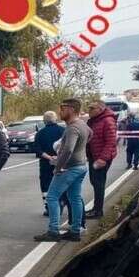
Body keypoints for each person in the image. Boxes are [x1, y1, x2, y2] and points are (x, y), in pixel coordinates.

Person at [35, 99, 91, 242]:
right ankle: (75, 230)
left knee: (52, 197)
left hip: (69, 168)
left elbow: (68, 149)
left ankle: (53, 231)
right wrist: (81, 150)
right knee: (75, 198)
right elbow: (91, 135)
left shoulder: (72, 127)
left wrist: (59, 167)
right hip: (80, 166)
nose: (60, 111)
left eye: (63, 108)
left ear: (72, 109)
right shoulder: (82, 125)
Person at [84, 100, 117, 219]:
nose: (89, 111)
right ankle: (96, 208)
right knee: (94, 181)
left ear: (100, 109)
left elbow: (111, 142)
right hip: (94, 155)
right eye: (89, 108)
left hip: (102, 157)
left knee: (98, 182)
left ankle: (98, 211)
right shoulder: (94, 120)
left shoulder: (108, 121)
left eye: (92, 108)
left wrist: (103, 159)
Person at [34, 111, 65, 217]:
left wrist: (48, 157)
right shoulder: (63, 131)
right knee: (60, 184)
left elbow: (37, 149)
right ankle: (60, 202)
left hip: (45, 163)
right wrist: (57, 157)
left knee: (46, 185)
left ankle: (49, 208)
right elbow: (68, 146)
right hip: (61, 162)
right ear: (56, 119)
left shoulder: (40, 133)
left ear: (44, 121)